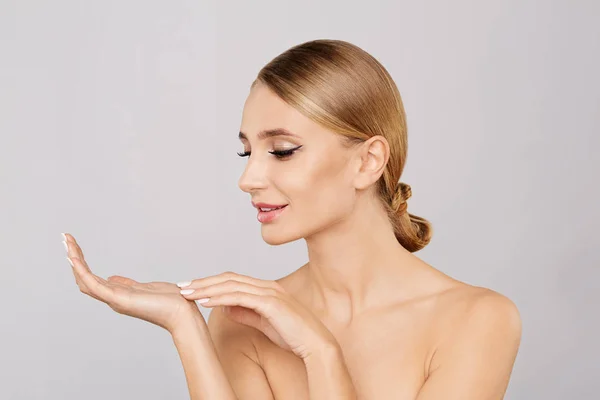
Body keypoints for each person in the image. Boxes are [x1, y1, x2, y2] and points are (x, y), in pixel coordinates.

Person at [65, 39, 522, 400]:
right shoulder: (241, 319)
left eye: (282, 151)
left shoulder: (477, 320)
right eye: (247, 151)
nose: (248, 178)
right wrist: (185, 327)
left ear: (368, 161)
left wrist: (319, 353)